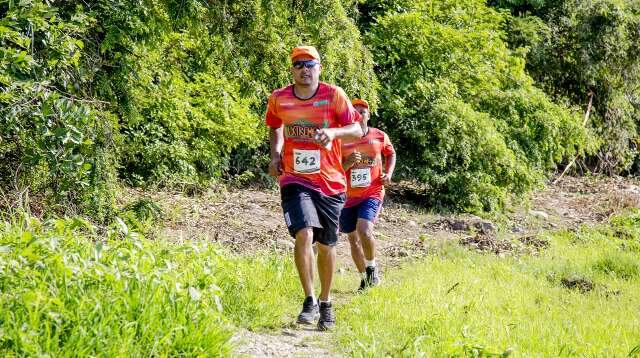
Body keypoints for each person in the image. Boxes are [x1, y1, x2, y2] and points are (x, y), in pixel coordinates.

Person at [266, 46, 363, 330]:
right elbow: (274, 126)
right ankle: (309, 299)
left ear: (319, 67)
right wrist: (276, 154)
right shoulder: (279, 98)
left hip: (331, 182)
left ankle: (326, 301)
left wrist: (333, 132)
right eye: (298, 65)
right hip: (295, 179)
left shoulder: (334, 95)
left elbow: (356, 129)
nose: (304, 69)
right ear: (292, 70)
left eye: (309, 64)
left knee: (327, 245)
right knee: (304, 233)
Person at [340, 98, 396, 290]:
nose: (359, 115)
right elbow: (334, 169)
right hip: (347, 197)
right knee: (353, 240)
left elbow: (391, 153)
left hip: (372, 192)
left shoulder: (379, 136)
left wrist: (388, 174)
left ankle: (372, 269)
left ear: (368, 115)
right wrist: (347, 163)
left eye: (362, 111)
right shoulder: (342, 139)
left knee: (364, 230)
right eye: (355, 112)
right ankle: (365, 279)